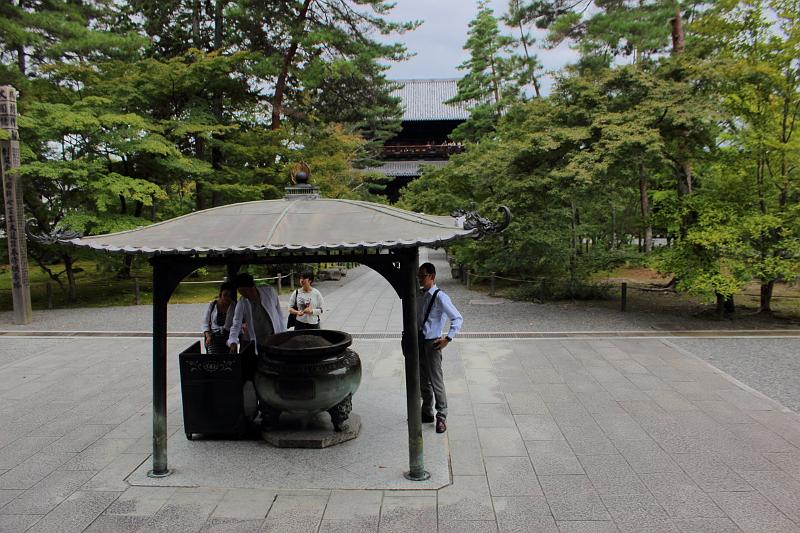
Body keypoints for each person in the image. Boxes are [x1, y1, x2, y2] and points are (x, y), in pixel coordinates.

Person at [417, 261, 463, 434]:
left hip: (433, 343)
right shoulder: (420, 294)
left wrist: (448, 338)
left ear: (432, 276)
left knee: (436, 381)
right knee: (423, 380)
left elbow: (457, 318)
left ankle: (442, 416)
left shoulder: (440, 297)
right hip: (420, 342)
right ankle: (427, 411)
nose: (420, 279)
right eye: (419, 276)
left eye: (423, 276)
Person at [227, 272, 286, 355]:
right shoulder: (242, 302)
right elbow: (236, 324)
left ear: (251, 288)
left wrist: (283, 331)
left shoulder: (269, 291)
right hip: (258, 340)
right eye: (241, 293)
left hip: (274, 336)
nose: (244, 295)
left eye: (244, 292)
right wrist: (232, 341)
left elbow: (278, 311)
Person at [202, 281, 236, 354]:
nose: (227, 298)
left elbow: (237, 325)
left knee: (229, 359)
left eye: (230, 295)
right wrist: (208, 337)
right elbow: (205, 324)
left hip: (229, 339)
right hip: (213, 339)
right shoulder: (212, 305)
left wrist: (233, 341)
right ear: (220, 295)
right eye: (225, 295)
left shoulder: (234, 306)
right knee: (214, 359)